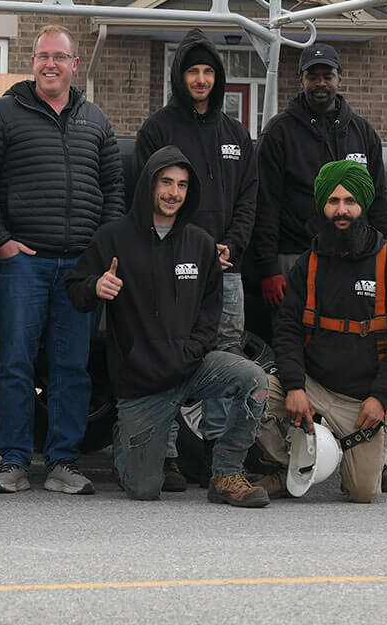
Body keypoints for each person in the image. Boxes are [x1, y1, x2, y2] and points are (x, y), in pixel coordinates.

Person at [66, 146, 270, 506]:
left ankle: (225, 473)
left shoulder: (200, 243)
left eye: (182, 185)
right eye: (166, 182)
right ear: (149, 184)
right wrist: (95, 286)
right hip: (141, 381)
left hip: (192, 367)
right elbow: (75, 291)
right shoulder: (114, 238)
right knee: (144, 490)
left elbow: (211, 310)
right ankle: (125, 439)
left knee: (254, 380)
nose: (173, 192)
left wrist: (192, 351)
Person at [0, 24, 125, 496]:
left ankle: (64, 461)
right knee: (16, 364)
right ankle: (14, 462)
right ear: (33, 61)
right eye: (42, 56)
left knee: (72, 367)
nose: (50, 64)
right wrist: (0, 240)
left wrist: (100, 252)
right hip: (23, 262)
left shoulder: (95, 119)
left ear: (74, 64)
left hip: (80, 267)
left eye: (60, 57)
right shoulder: (2, 115)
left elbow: (113, 189)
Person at [134, 29, 258, 490]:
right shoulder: (159, 130)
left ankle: (215, 456)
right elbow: (147, 196)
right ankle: (163, 456)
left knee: (226, 358)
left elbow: (248, 197)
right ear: (179, 76)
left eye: (208, 71)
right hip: (172, 268)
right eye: (193, 71)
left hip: (226, 270)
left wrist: (232, 245)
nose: (201, 79)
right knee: (167, 354)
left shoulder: (236, 134)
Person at [256, 161, 387, 502]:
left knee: (363, 493)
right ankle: (285, 467)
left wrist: (381, 398)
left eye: (350, 201)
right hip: (312, 384)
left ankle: (366, 439)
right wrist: (294, 385)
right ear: (322, 207)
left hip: (361, 399)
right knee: (250, 392)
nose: (341, 210)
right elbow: (286, 329)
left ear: (363, 205)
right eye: (333, 201)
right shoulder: (308, 263)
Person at [253, 42, 387, 316]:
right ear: (300, 80)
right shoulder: (279, 133)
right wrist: (269, 268)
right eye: (312, 77)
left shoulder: (362, 132)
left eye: (327, 76)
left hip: (354, 256)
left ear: (339, 78)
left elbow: (379, 199)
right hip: (296, 256)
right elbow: (265, 204)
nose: (320, 83)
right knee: (295, 338)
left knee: (347, 336)